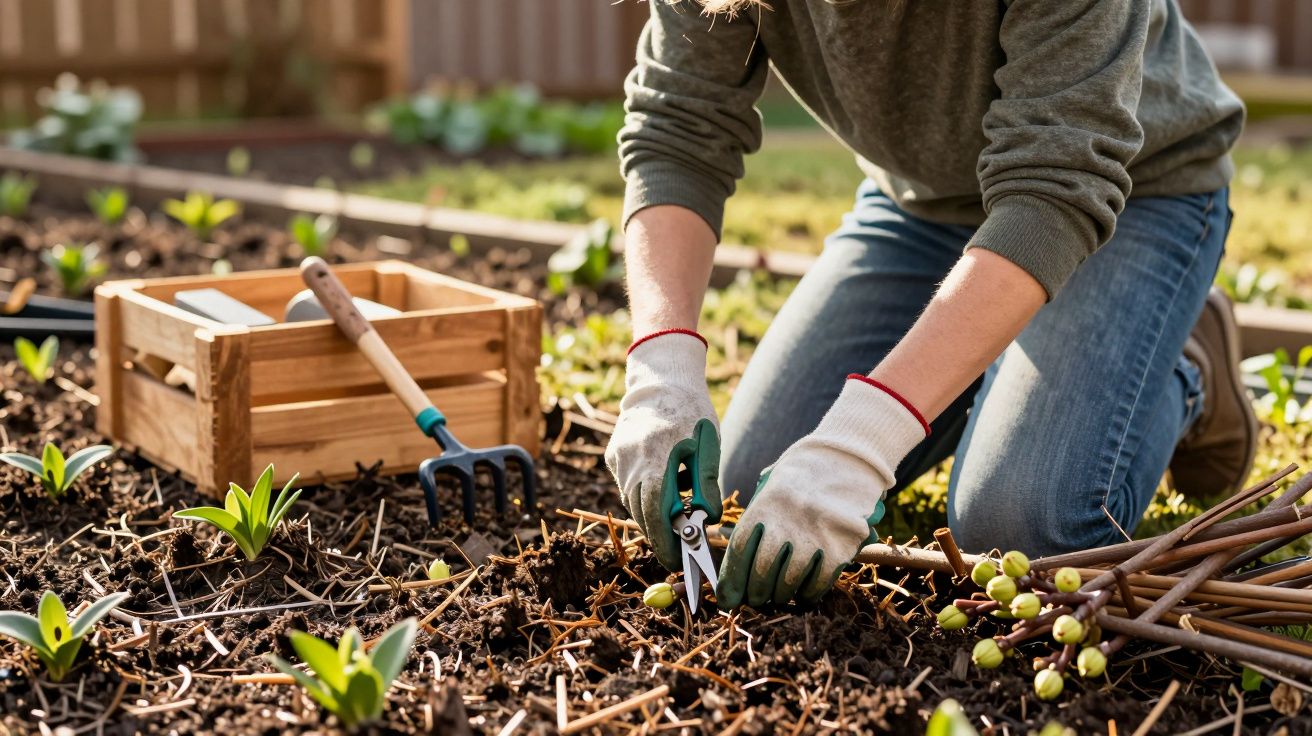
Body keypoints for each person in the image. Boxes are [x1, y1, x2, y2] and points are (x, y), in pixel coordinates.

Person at [604, 0, 1254, 610]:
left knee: (1022, 527)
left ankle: (1184, 366)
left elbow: (1055, 189)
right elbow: (678, 130)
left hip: (1124, 195)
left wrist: (866, 438)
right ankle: (994, 356)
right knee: (754, 488)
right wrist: (661, 368)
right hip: (926, 208)